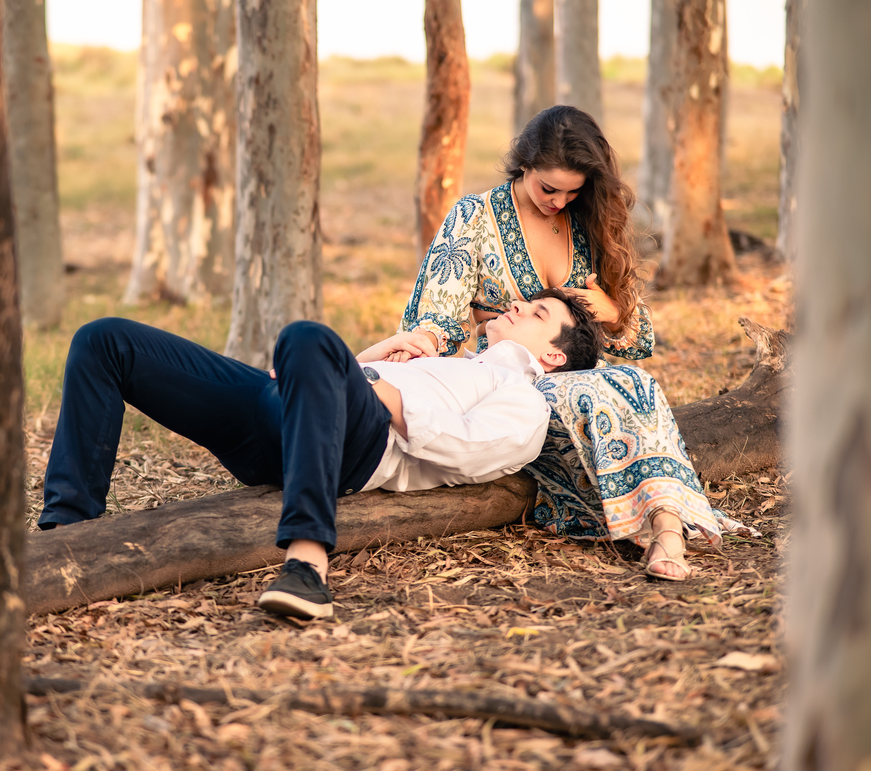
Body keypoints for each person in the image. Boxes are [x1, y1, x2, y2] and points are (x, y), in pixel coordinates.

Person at [40, 288, 602, 619]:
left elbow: (469, 450)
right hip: (273, 412)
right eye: (525, 302)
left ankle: (307, 564)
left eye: (536, 315)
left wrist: (379, 390)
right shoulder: (453, 361)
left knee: (306, 334)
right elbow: (312, 380)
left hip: (359, 449)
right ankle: (65, 528)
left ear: (553, 357)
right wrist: (369, 360)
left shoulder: (523, 401)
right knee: (105, 338)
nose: (517, 308)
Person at [399, 104, 725, 581]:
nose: (558, 201)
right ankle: (669, 529)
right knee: (613, 388)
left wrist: (612, 313)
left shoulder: (587, 221)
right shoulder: (473, 218)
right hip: (504, 390)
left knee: (633, 381)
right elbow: (435, 321)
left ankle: (667, 529)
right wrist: (421, 342)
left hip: (579, 385)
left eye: (573, 191)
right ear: (524, 164)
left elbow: (639, 340)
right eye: (548, 188)